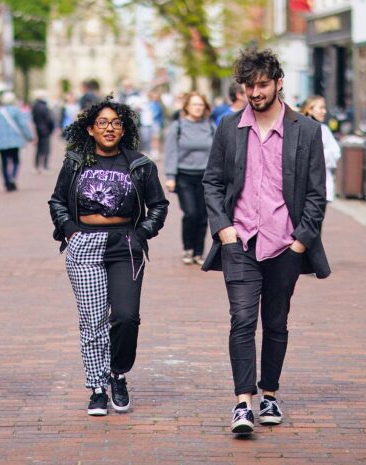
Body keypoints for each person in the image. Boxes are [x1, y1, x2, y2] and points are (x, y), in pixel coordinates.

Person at [202, 48, 330, 435]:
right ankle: (243, 403)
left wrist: (301, 241)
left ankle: (269, 393)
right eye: (248, 85)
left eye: (261, 84)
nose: (255, 92)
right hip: (239, 241)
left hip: (284, 244)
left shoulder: (305, 130)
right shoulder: (228, 127)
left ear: (278, 83)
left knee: (275, 322)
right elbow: (212, 182)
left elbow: (316, 193)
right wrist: (224, 228)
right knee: (241, 320)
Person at [49, 98, 168, 416]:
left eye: (116, 122)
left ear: (124, 128)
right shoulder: (75, 162)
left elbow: (159, 205)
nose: (109, 128)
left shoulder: (140, 164)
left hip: (125, 245)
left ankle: (118, 373)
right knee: (93, 322)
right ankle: (97, 387)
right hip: (84, 243)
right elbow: (57, 201)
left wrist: (141, 234)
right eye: (102, 122)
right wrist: (70, 231)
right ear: (90, 129)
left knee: (126, 316)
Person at [164, 92, 214, 266]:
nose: (198, 108)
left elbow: (216, 153)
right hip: (184, 176)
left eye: (201, 105)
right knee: (191, 213)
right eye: (194, 104)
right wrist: (170, 177)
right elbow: (171, 152)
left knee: (203, 215)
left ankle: (199, 252)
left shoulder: (210, 127)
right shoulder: (178, 127)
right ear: (186, 107)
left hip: (205, 177)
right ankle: (188, 248)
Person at [300, 95, 341, 203]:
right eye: (321, 108)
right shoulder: (297, 128)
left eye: (325, 108)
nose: (324, 111)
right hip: (299, 187)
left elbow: (335, 153)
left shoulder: (324, 130)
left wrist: (315, 155)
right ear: (310, 109)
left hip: (319, 186)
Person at [0, 91, 33, 191]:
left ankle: (6, 181)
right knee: (15, 160)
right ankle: (13, 177)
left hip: (1, 142)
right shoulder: (16, 111)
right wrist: (29, 136)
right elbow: (23, 125)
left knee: (4, 162)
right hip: (15, 141)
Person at [31, 90, 55, 173]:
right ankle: (45, 166)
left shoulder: (34, 107)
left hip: (38, 129)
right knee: (46, 149)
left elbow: (34, 119)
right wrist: (51, 129)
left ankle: (36, 166)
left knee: (38, 149)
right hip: (45, 130)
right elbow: (50, 120)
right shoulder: (44, 107)